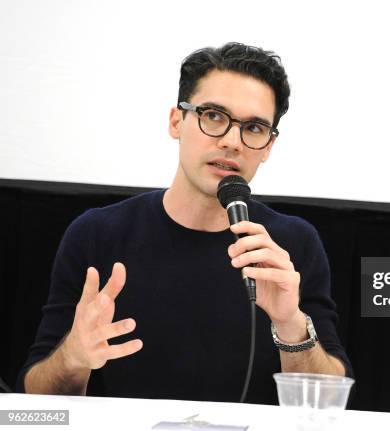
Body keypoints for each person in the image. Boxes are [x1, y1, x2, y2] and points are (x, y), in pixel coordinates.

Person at [17, 42, 350, 403]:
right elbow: (31, 404)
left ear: (268, 147)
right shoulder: (97, 234)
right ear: (176, 121)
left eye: (253, 128)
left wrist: (290, 324)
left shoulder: (291, 244)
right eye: (213, 116)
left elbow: (329, 403)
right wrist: (73, 358)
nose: (232, 141)